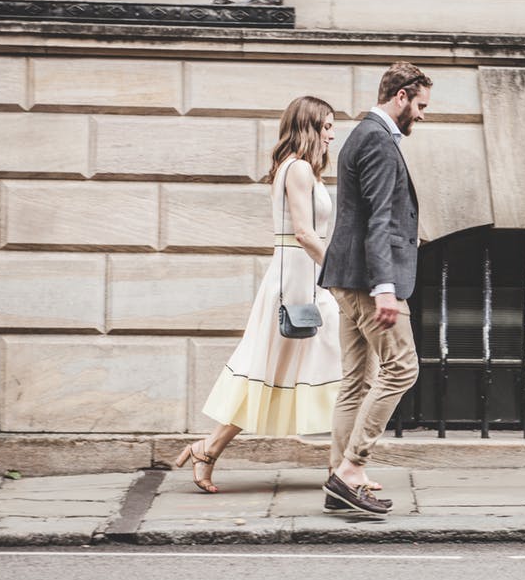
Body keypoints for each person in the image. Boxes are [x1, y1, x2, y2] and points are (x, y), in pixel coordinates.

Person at [175, 95, 342, 493]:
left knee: (314, 368)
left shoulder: (298, 169)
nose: (333, 134)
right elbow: (303, 233)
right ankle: (347, 468)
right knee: (275, 371)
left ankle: (346, 466)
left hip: (304, 279)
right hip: (298, 282)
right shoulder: (298, 169)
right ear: (310, 126)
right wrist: (338, 271)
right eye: (328, 126)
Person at [319, 62, 432, 515]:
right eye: (420, 105)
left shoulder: (361, 135)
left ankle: (339, 478)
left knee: (356, 381)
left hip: (345, 277)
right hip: (369, 281)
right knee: (403, 368)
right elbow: (380, 220)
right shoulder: (379, 142)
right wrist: (385, 287)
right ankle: (351, 469)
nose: (422, 115)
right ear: (400, 96)